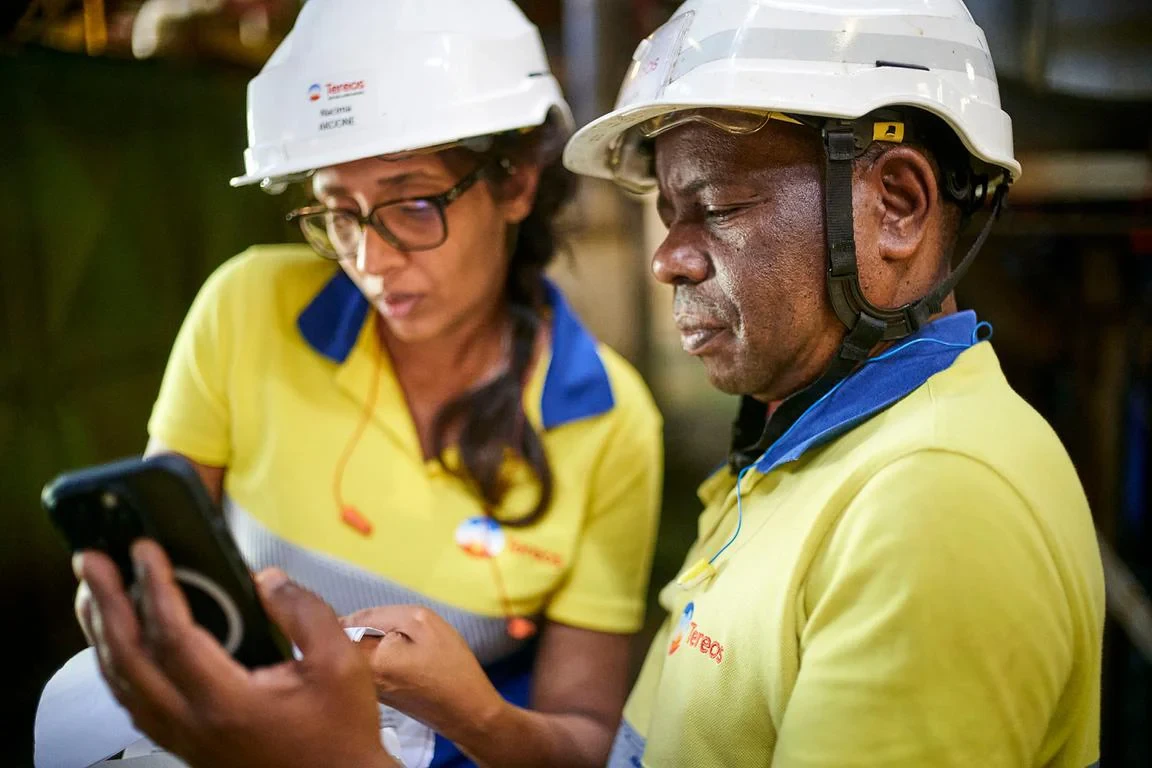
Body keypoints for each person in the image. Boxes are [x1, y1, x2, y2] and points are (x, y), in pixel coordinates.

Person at [74, 1, 1106, 767]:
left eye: (717, 205)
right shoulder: (802, 459)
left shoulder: (937, 505)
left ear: (897, 204)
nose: (668, 259)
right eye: (336, 211)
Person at [49, 0, 662, 766]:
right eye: (341, 212)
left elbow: (580, 741)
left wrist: (471, 712)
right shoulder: (246, 309)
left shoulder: (609, 420)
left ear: (516, 184)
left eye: (411, 204)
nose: (370, 262)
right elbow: (163, 553)